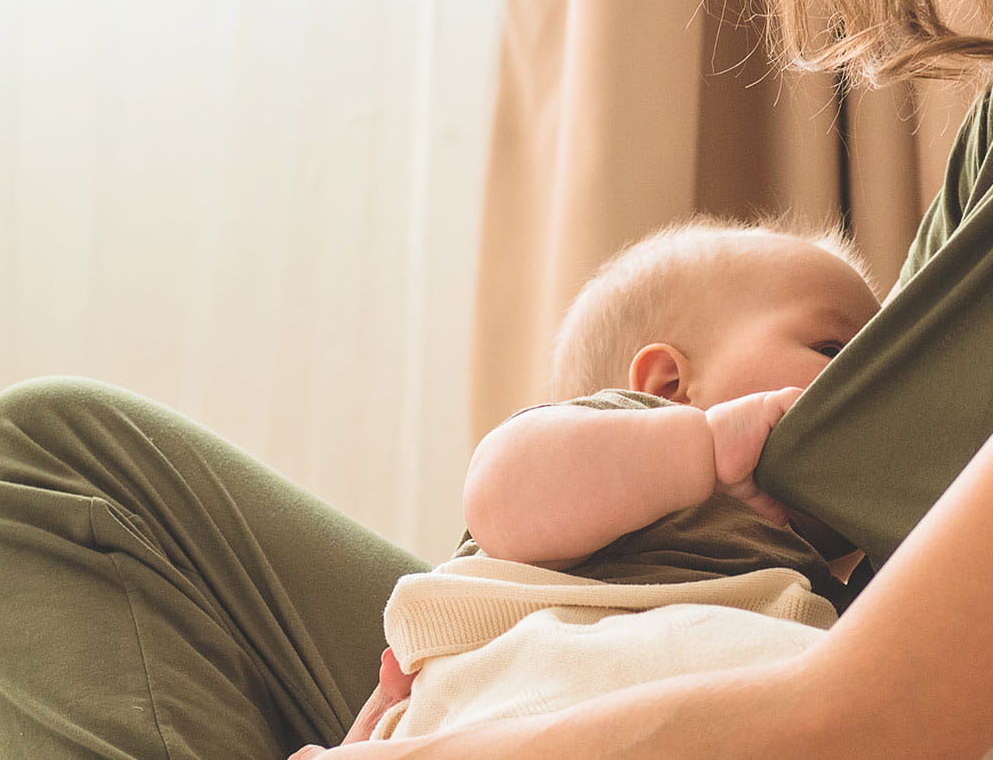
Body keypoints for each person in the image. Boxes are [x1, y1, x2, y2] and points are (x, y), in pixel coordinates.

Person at [0, 0, 993, 757]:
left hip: (830, 689)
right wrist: (460, 660)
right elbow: (513, 506)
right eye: (833, 355)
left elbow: (882, 711)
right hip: (636, 647)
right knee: (47, 470)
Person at [335, 217, 882, 744]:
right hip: (526, 702)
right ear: (667, 386)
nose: (872, 385)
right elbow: (499, 499)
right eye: (834, 350)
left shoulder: (828, 577)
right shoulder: (612, 457)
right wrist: (707, 446)